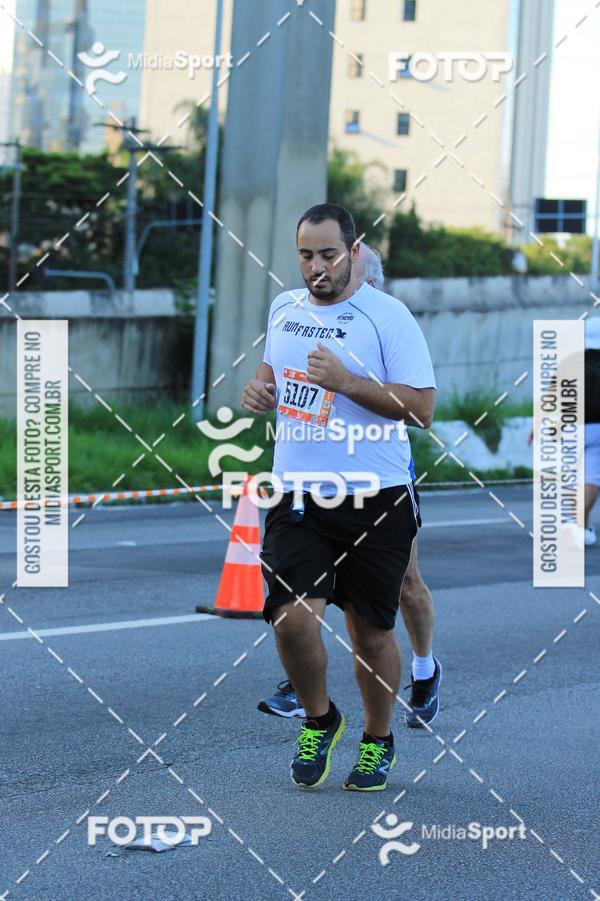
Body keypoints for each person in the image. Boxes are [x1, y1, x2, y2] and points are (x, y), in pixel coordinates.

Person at [241, 203, 436, 791]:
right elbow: (272, 376)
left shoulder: (387, 316)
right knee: (290, 621)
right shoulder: (284, 308)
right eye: (305, 255)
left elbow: (422, 409)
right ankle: (320, 718)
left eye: (328, 254)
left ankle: (377, 739)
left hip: (376, 497)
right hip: (299, 494)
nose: (316, 267)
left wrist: (348, 382)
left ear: (353, 252)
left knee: (369, 632)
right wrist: (261, 393)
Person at [584, 316, 600, 545]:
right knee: (591, 479)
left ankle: (581, 525)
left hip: (570, 428)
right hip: (597, 428)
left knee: (576, 478)